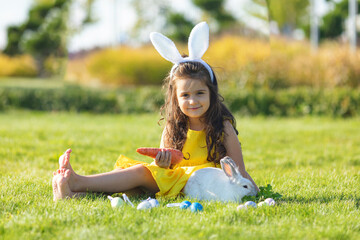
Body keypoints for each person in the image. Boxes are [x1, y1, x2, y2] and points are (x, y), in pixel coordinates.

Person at [52, 22, 259, 201]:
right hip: (175, 181)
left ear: (211, 94)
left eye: (200, 93)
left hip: (203, 186)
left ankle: (79, 182)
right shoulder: (174, 127)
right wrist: (162, 162)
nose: (193, 100)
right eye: (185, 95)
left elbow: (238, 173)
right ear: (175, 99)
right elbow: (159, 171)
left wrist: (255, 191)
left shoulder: (222, 127)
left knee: (139, 176)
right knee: (132, 178)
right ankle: (74, 194)